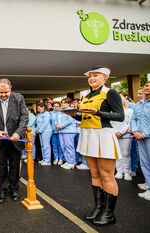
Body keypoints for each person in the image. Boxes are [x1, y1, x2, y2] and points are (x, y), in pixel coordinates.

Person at [70, 66, 124, 225]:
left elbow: (119, 116)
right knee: (94, 174)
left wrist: (97, 112)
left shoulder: (110, 93)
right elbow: (85, 117)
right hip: (87, 135)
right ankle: (99, 209)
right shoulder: (86, 95)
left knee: (107, 174)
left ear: (105, 77)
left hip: (103, 135)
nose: (91, 78)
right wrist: (75, 115)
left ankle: (108, 213)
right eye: (90, 76)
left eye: (95, 75)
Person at [0, 78, 28, 203]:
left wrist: (18, 133)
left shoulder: (19, 98)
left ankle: (14, 189)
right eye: (1, 93)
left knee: (15, 165)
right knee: (1, 165)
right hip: (0, 139)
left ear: (11, 89)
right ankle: (1, 189)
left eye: (6, 92)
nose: (3, 95)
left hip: (15, 138)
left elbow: (24, 117)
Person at [130, 80, 150, 201]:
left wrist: (144, 134)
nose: (147, 87)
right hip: (139, 137)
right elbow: (133, 120)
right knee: (144, 163)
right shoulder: (139, 104)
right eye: (147, 85)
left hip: (147, 136)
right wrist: (135, 131)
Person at [111, 94, 134, 181]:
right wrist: (116, 132)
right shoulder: (111, 112)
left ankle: (127, 172)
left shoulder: (129, 111)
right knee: (117, 154)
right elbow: (111, 123)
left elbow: (130, 123)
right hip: (114, 135)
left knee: (125, 154)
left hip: (126, 136)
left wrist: (121, 132)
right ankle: (119, 171)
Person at [57, 98, 78, 170]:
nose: (62, 104)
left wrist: (60, 125)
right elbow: (58, 120)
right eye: (62, 103)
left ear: (68, 104)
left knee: (69, 147)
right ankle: (67, 161)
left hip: (69, 131)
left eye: (64, 103)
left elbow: (70, 120)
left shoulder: (71, 110)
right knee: (63, 147)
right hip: (61, 131)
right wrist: (57, 125)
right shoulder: (61, 111)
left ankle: (71, 163)